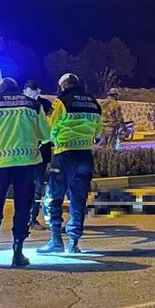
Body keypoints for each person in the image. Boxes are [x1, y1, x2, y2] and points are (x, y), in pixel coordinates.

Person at [0, 77, 51, 268]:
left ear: (0, 90)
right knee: (23, 208)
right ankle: (18, 253)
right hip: (27, 164)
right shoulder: (33, 105)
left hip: (0, 164)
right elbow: (46, 136)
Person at [38, 73, 102, 254]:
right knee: (78, 200)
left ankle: (56, 240)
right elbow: (98, 132)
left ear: (63, 86)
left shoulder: (61, 101)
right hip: (85, 156)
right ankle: (74, 243)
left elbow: (49, 128)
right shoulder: (93, 102)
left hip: (64, 155)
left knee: (53, 197)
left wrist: (46, 141)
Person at [23, 80, 53, 230]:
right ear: (25, 91)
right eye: (32, 92)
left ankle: (32, 219)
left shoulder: (45, 104)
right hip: (24, 154)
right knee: (26, 188)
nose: (34, 95)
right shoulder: (20, 105)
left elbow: (50, 125)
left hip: (41, 154)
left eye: (37, 92)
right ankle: (24, 219)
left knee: (38, 187)